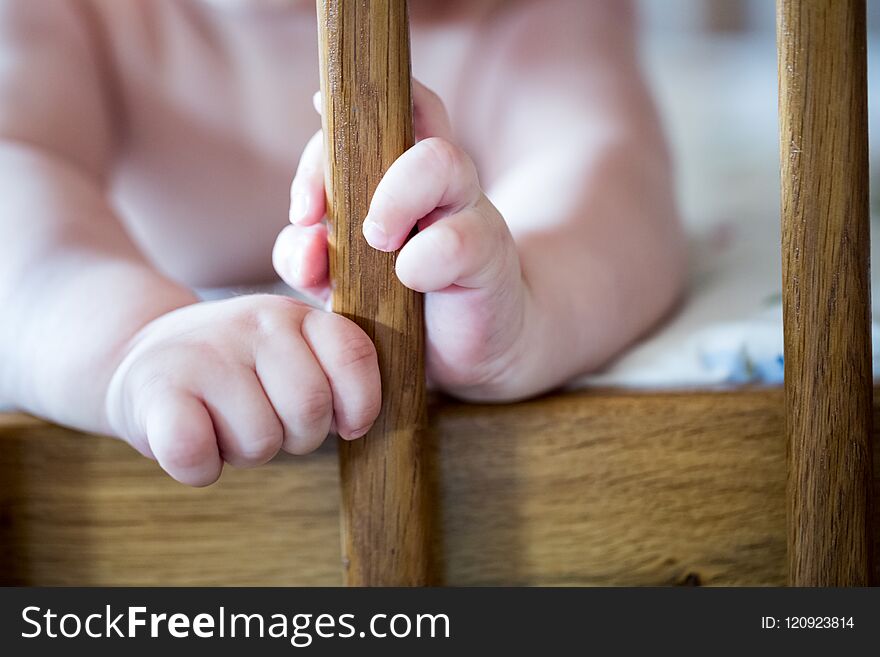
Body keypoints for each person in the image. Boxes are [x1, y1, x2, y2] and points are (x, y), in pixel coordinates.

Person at [0, 0, 685, 486]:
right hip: (149, 294)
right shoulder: (67, 15)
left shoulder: (516, 15)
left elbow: (609, 168)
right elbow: (17, 179)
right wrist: (133, 343)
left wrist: (529, 300)